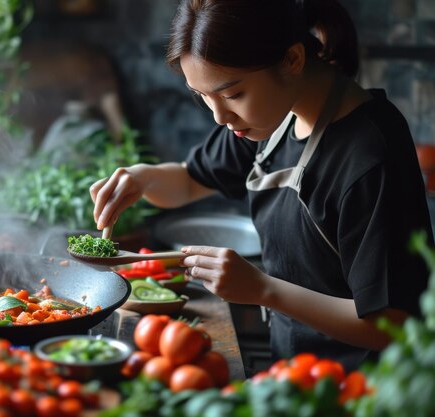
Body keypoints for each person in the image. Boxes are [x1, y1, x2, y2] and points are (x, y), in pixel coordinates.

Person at [89, 0, 434, 372]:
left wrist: (263, 290)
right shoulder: (270, 116)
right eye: (203, 97)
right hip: (292, 373)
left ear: (293, 60)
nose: (220, 117)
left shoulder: (369, 153)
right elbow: (190, 181)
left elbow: (393, 325)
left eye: (232, 94)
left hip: (363, 388)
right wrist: (143, 178)